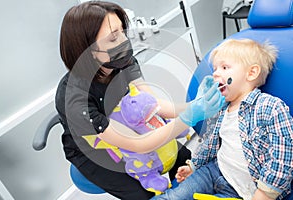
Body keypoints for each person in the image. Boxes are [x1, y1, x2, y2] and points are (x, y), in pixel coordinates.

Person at [55, 1, 225, 200]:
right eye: (113, 37)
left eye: (122, 31)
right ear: (88, 50)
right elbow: (137, 144)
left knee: (187, 162)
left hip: (126, 122)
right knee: (144, 195)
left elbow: (151, 104)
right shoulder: (76, 100)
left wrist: (196, 104)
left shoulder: (122, 61)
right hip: (95, 149)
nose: (123, 41)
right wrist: (187, 118)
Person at [151, 38, 293, 200]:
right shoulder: (221, 108)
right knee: (171, 197)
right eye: (215, 68)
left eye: (225, 67)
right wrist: (194, 165)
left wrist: (264, 194)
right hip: (213, 172)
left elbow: (283, 157)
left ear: (252, 73)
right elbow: (210, 143)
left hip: (247, 189)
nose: (215, 73)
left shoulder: (271, 107)